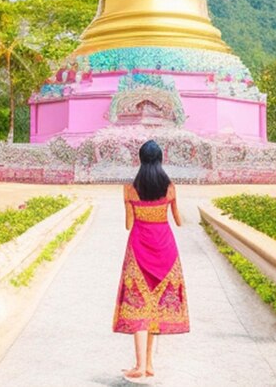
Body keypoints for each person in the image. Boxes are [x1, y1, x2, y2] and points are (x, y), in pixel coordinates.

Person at [113, 140, 189, 382]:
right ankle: (149, 364)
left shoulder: (129, 189)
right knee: (155, 303)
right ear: (160, 159)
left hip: (138, 249)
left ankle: (139, 365)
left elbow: (128, 225)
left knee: (137, 303)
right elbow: (179, 221)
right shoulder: (170, 188)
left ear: (140, 159)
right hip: (165, 248)